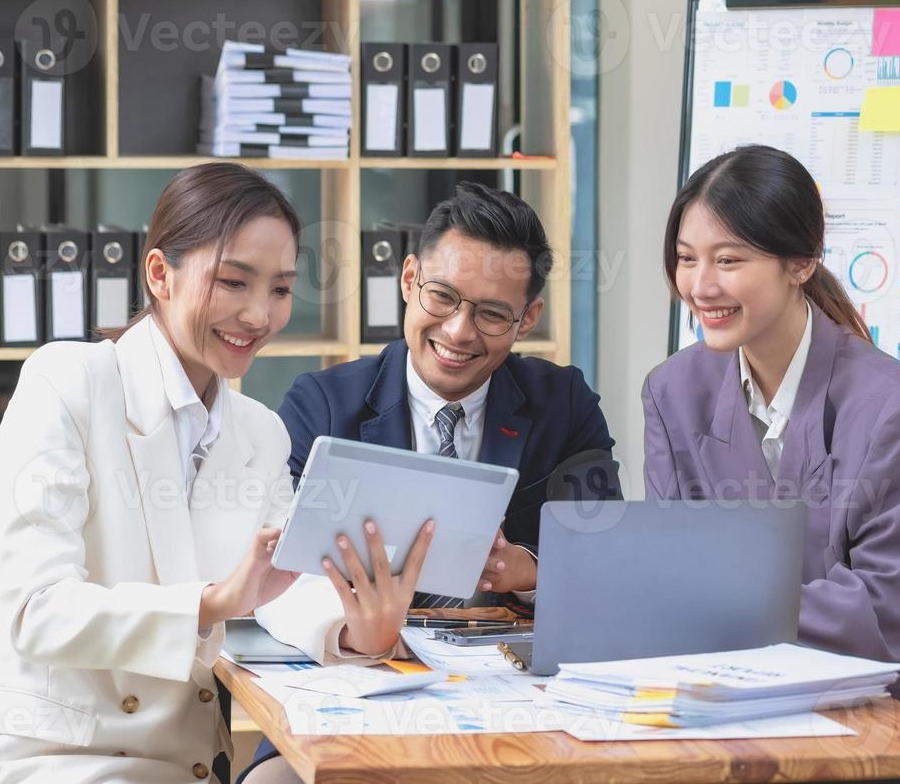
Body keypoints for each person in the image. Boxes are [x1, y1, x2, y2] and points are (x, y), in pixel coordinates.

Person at [0, 163, 372, 783]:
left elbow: (283, 583)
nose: (258, 315)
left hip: (180, 759)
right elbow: (35, 611)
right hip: (51, 758)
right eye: (232, 282)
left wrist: (354, 628)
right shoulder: (66, 383)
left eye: (279, 290)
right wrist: (212, 603)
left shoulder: (259, 432)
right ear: (160, 274)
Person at [641, 145, 900, 784]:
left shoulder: (897, 410)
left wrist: (710, 608)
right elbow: (675, 561)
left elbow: (882, 610)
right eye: (686, 259)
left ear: (801, 263)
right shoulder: (672, 393)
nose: (700, 285)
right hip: (776, 711)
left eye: (729, 260)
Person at [241, 181, 618, 784]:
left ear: (528, 319)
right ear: (410, 279)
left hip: (518, 698)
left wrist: (533, 570)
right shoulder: (324, 406)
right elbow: (276, 573)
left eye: (493, 313)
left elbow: (609, 554)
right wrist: (357, 625)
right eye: (443, 297)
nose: (461, 331)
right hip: (357, 681)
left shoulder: (563, 404)